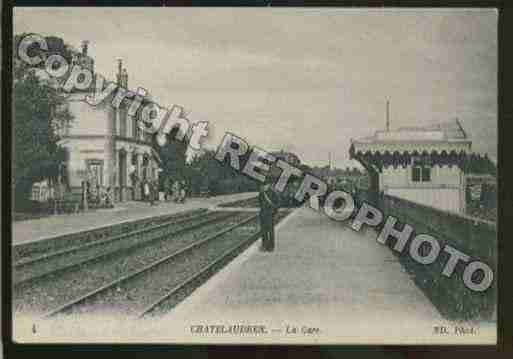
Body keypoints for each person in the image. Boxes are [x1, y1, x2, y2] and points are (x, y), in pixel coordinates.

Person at [258, 182, 280, 252]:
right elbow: (260, 202)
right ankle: (264, 245)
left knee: (270, 231)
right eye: (262, 186)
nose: (262, 187)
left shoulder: (273, 192)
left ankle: (271, 246)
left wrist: (274, 212)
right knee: (263, 231)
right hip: (263, 214)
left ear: (268, 185)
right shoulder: (261, 193)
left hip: (270, 214)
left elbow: (278, 202)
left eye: (264, 186)